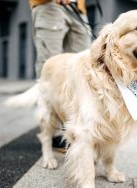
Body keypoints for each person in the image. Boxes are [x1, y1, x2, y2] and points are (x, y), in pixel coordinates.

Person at [29, 0, 92, 151]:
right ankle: (54, 131)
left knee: (83, 67)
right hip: (48, 5)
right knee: (49, 66)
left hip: (78, 8)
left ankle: (78, 126)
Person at [29, 0, 92, 78]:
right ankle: (46, 90)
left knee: (82, 62)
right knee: (50, 62)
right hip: (49, 6)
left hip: (78, 7)